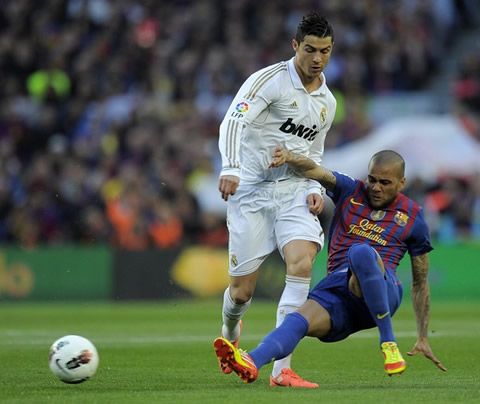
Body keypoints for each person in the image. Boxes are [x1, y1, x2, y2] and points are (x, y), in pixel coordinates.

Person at [214, 147, 447, 385]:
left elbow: (420, 281)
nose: (376, 187)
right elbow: (314, 170)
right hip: (338, 291)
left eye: (385, 182)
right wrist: (290, 157)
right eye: (372, 180)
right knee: (297, 320)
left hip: (384, 289)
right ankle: (252, 361)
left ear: (401, 182)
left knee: (361, 252)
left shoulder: (412, 215)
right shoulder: (350, 190)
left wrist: (422, 335)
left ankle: (388, 342)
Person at [217, 12, 337, 388]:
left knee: (301, 265)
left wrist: (316, 189)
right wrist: (231, 167)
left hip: (293, 192)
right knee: (241, 293)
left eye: (326, 51)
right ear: (295, 46)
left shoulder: (327, 101)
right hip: (250, 192)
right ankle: (230, 330)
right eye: (310, 50)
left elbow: (314, 153)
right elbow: (233, 122)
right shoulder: (268, 81)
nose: (317, 58)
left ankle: (281, 368)